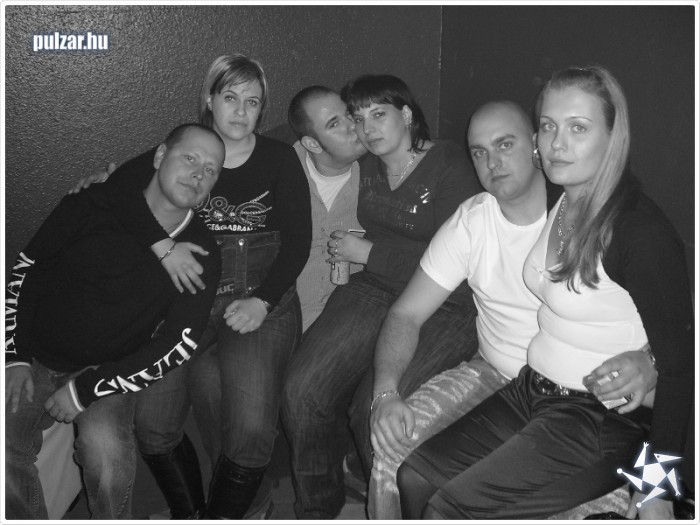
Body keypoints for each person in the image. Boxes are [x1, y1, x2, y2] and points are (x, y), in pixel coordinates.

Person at [396, 66, 694, 520]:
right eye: (550, 126)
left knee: (449, 509)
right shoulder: (564, 197)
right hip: (532, 390)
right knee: (414, 477)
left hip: (596, 417)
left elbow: (681, 365)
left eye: (578, 128)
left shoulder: (638, 230)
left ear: (613, 136)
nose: (557, 143)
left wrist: (657, 488)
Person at [80, 54, 312, 519]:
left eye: (252, 102)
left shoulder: (279, 158)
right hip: (189, 300)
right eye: (230, 97)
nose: (241, 111)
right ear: (209, 99)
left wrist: (263, 301)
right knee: (153, 426)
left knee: (251, 429)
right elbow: (118, 191)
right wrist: (161, 245)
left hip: (261, 299)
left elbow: (298, 243)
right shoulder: (186, 149)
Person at [281, 73, 483, 519]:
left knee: (369, 410)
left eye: (378, 114)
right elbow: (297, 145)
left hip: (445, 305)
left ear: (406, 114)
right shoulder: (366, 163)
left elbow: (459, 263)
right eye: (357, 118)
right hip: (375, 288)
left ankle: (387, 498)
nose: (366, 128)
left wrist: (370, 252)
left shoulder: (448, 163)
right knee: (302, 390)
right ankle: (319, 509)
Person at [4, 123, 224, 520]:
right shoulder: (91, 203)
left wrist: (86, 389)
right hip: (35, 355)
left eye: (210, 170)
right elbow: (30, 270)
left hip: (109, 370)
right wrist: (13, 355)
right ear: (160, 156)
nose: (198, 174)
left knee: (107, 456)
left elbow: (178, 343)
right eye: (190, 158)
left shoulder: (201, 252)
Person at [287, 85, 367, 331]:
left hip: (353, 319)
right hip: (286, 318)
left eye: (349, 115)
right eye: (334, 124)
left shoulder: (380, 176)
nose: (353, 126)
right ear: (312, 143)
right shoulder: (281, 175)